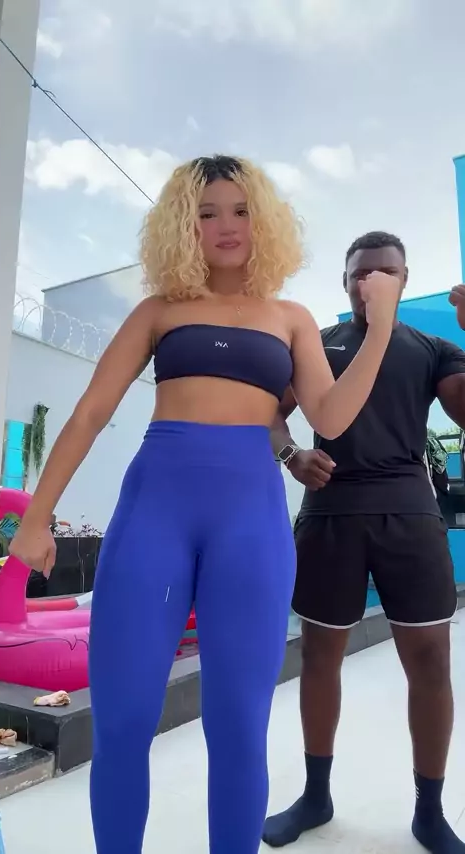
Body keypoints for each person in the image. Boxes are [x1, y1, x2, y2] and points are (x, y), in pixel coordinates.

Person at [10, 163, 399, 854]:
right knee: (123, 723)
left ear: (264, 222)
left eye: (241, 210)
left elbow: (331, 417)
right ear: (183, 226)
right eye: (207, 212)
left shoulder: (290, 318)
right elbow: (90, 412)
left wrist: (379, 328)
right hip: (153, 515)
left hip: (249, 524)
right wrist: (37, 517)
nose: (225, 225)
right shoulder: (160, 310)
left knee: (239, 727)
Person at [264, 231, 465, 854]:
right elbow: (269, 411)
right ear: (345, 281)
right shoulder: (318, 342)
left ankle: (429, 812)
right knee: (320, 657)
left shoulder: (433, 349)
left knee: (430, 662)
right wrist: (291, 456)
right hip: (331, 512)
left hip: (410, 513)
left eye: (385, 273)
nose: (371, 283)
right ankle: (315, 796)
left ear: (404, 281)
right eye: (360, 273)